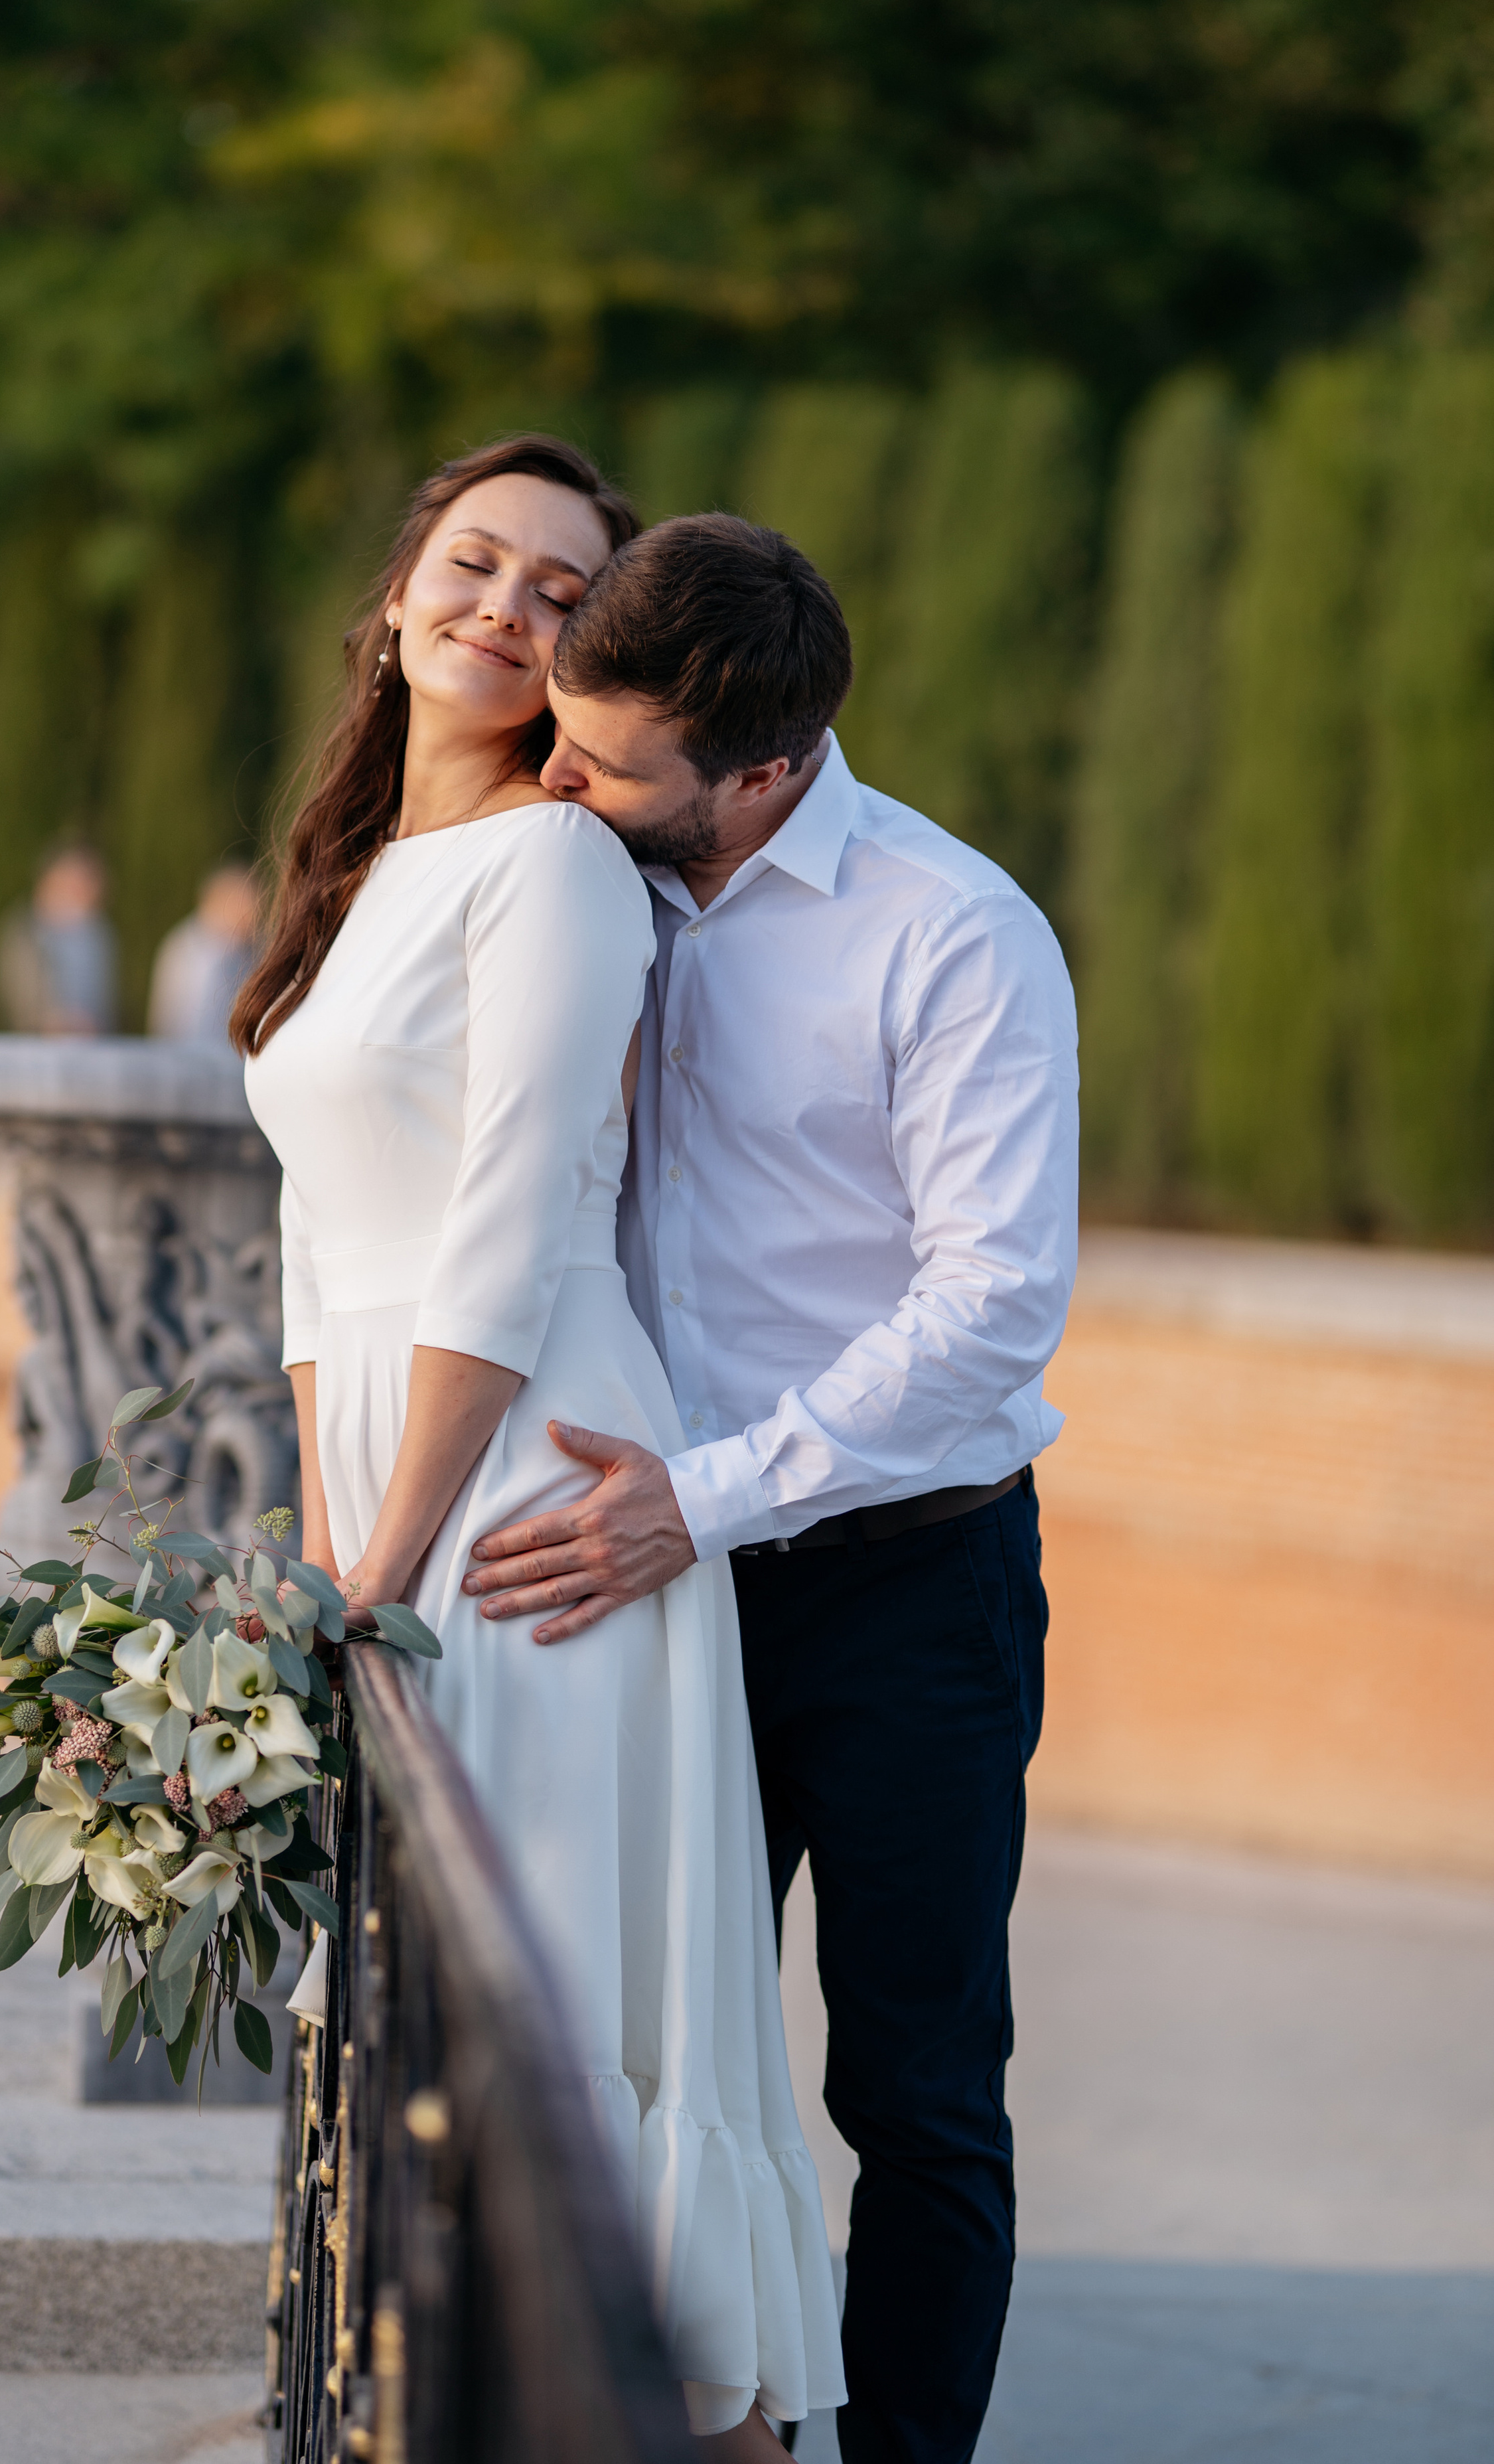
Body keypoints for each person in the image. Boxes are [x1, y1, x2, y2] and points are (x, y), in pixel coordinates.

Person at [233, 439, 844, 2454]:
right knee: (463, 2023)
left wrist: (390, 1552)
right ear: (402, 581)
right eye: (474, 559)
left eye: (558, 590)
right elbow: (321, 1256)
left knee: (563, 2015)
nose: (502, 604)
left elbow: (503, 1223)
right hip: (397, 1492)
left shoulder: (557, 861)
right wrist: (320, 1545)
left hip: (519, 1486)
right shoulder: (368, 877)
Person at [461, 515, 1079, 2464]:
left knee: (914, 2091)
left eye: (603, 758)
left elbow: (990, 1305)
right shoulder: (582, 885)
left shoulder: (950, 927)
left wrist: (698, 1492)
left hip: (909, 1590)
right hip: (663, 1593)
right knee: (639, 2054)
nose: (556, 774)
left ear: (762, 767)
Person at [0, 841, 117, 1036]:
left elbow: (108, 1004)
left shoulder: (100, 933)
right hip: (34, 1049)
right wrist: (52, 1022)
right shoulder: (25, 930)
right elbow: (16, 1002)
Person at [147, 860, 261, 1044]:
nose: (253, 914)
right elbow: (175, 1025)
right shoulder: (188, 951)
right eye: (247, 903)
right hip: (194, 1061)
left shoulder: (245, 951)